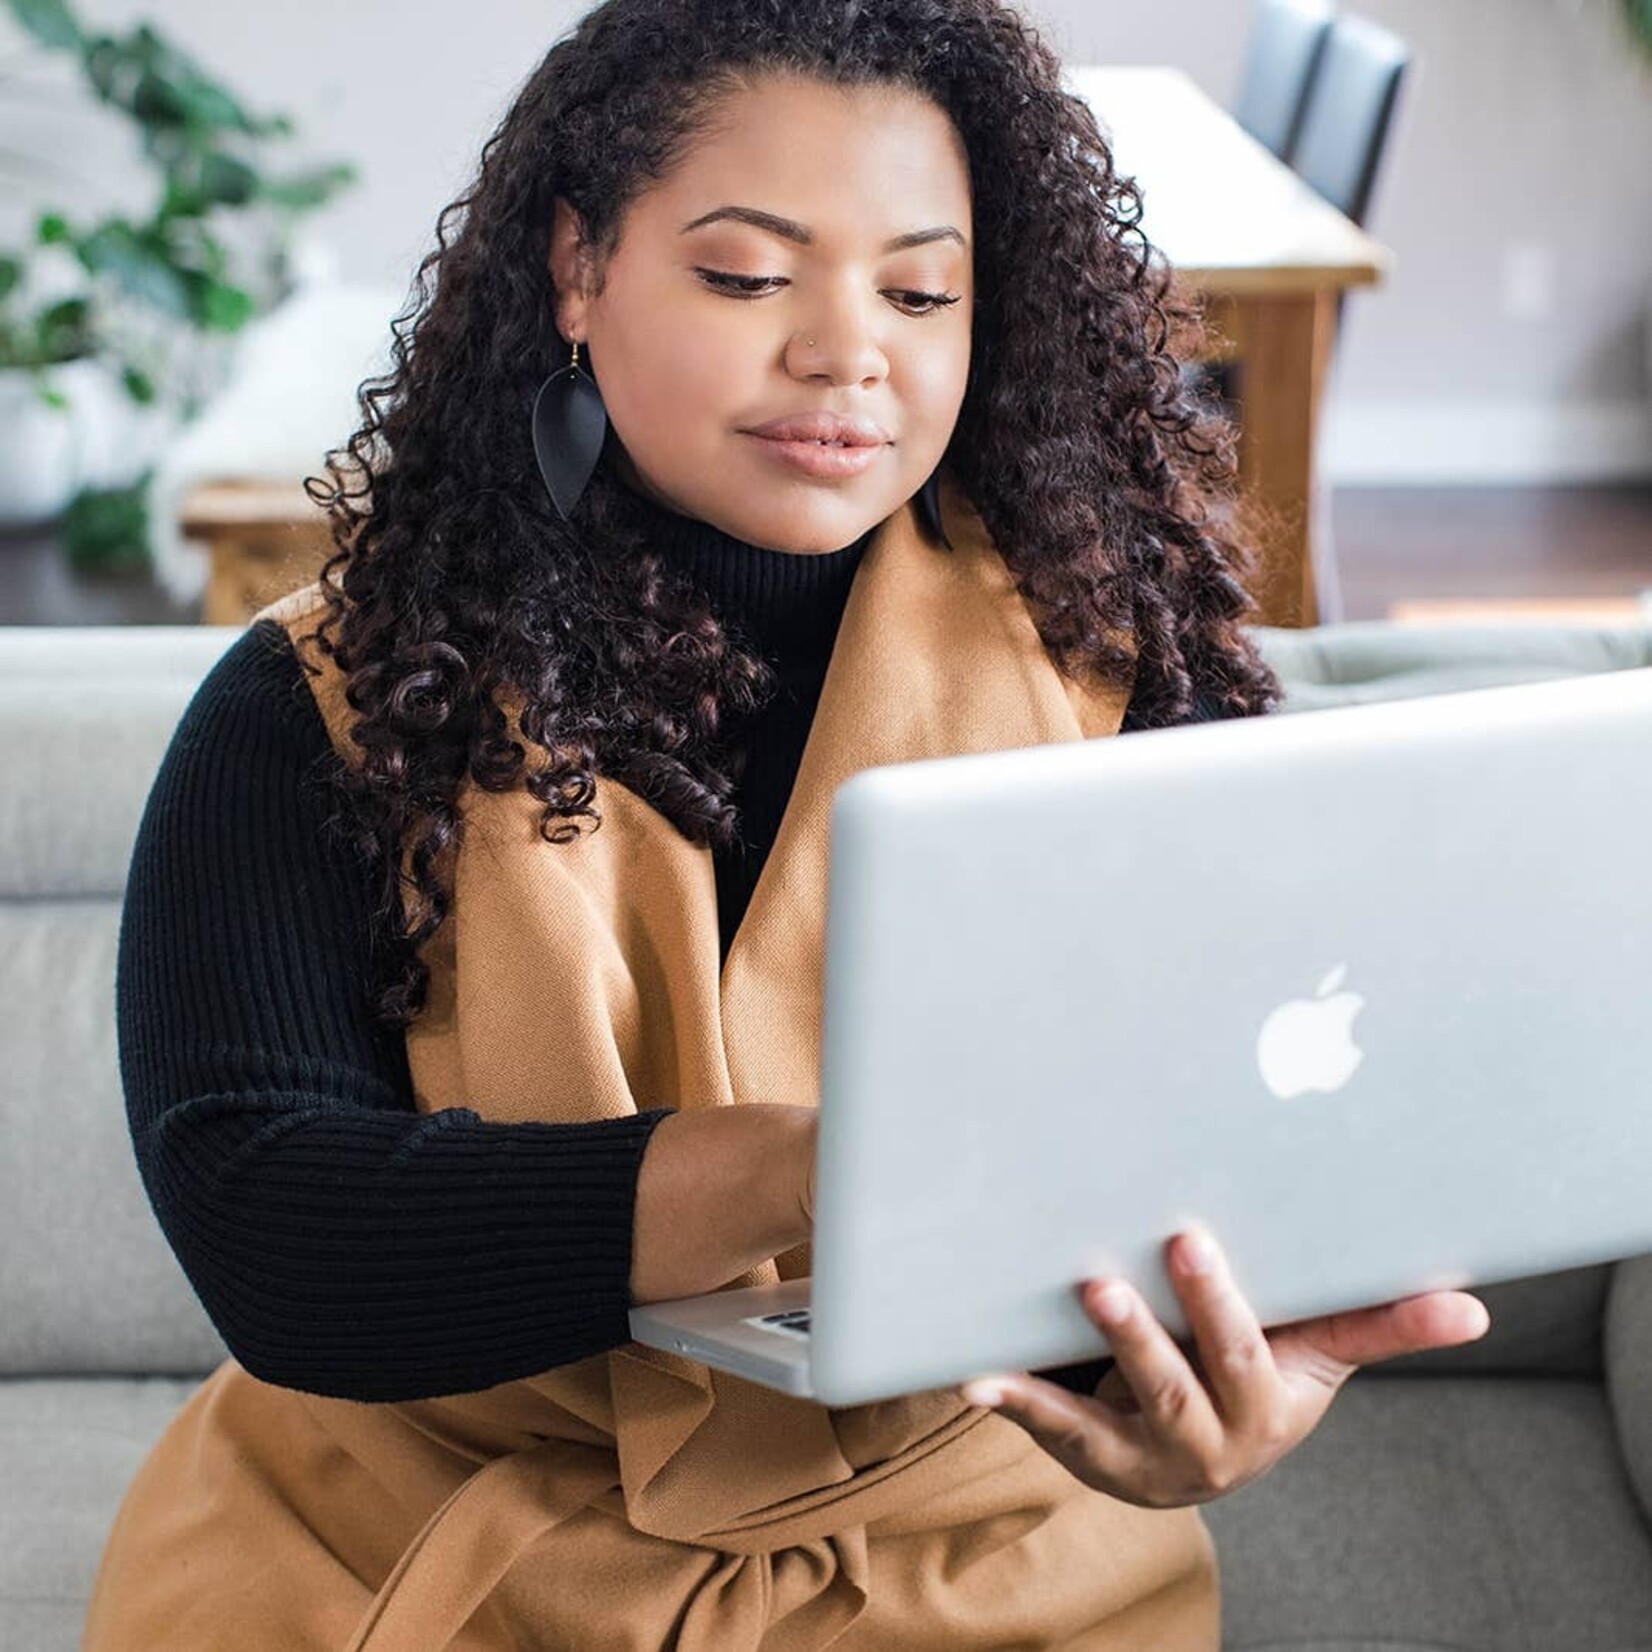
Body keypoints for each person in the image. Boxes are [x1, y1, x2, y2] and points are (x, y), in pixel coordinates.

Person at [86, 2, 1490, 1647]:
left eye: (920, 292)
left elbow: (1228, 1143)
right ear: (577, 266)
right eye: (750, 276)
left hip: (986, 1574)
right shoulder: (323, 703)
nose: (847, 352)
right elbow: (269, 1224)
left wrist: (1200, 1390)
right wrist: (816, 1177)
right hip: (393, 1562)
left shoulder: (1127, 681)